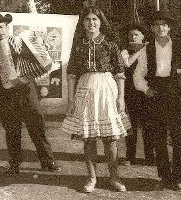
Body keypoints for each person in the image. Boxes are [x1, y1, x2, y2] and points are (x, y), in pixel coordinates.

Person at [62, 6, 130, 192]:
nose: (91, 23)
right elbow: (72, 74)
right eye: (87, 20)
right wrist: (70, 100)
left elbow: (119, 72)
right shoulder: (78, 46)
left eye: (95, 19)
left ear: (101, 22)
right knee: (89, 137)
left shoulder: (110, 44)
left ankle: (114, 178)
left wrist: (121, 98)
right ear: (82, 23)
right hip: (85, 89)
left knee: (110, 138)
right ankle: (91, 178)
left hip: (107, 89)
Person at [0, 11, 60, 175]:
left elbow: (40, 55)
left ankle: (48, 161)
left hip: (27, 89)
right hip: (5, 92)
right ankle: (14, 164)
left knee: (37, 125)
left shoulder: (20, 41)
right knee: (12, 129)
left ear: (6, 26)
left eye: (1, 27)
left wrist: (41, 44)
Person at [134, 10, 181, 192]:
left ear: (169, 27)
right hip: (156, 92)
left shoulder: (179, 46)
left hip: (175, 93)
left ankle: (179, 177)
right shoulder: (146, 49)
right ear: (152, 28)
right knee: (159, 136)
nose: (161, 28)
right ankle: (164, 176)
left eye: (164, 25)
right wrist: (146, 89)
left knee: (178, 136)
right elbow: (138, 75)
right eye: (157, 25)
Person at [120, 23, 156, 166]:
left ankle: (149, 156)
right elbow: (127, 64)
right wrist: (139, 50)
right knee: (131, 126)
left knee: (148, 125)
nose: (133, 37)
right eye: (130, 35)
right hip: (130, 93)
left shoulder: (150, 50)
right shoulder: (125, 51)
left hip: (146, 92)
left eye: (136, 34)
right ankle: (130, 156)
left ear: (142, 36)